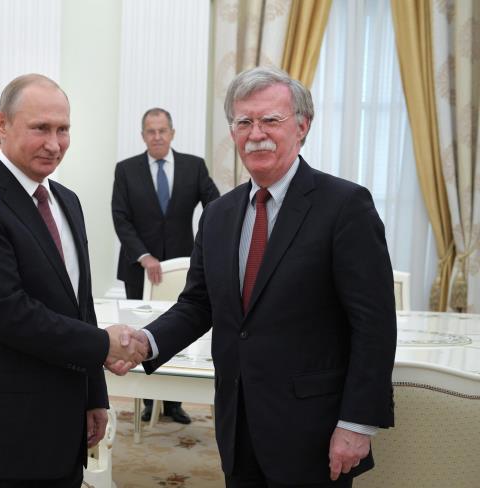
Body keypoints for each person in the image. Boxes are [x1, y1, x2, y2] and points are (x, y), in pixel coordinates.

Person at [134, 66, 397, 487]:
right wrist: (145, 342)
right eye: (244, 122)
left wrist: (357, 423)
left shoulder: (345, 206)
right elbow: (198, 304)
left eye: (270, 120)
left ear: (302, 126)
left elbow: (374, 325)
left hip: (314, 432)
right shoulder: (218, 215)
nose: (256, 134)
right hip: (238, 427)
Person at [0, 74, 147, 488]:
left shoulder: (67, 201)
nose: (54, 144)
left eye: (63, 129)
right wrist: (103, 344)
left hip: (63, 426)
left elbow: (80, 306)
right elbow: (7, 314)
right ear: (2, 123)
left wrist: (94, 395)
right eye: (40, 128)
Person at [111, 107, 220, 424]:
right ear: (143, 135)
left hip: (183, 267)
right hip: (138, 268)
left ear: (172, 133)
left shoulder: (193, 166)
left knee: (176, 328)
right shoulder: (126, 170)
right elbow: (121, 217)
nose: (157, 136)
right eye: (151, 131)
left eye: (162, 130)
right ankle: (148, 401)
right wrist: (143, 255)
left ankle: (173, 404)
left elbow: (216, 206)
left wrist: (203, 249)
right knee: (139, 333)